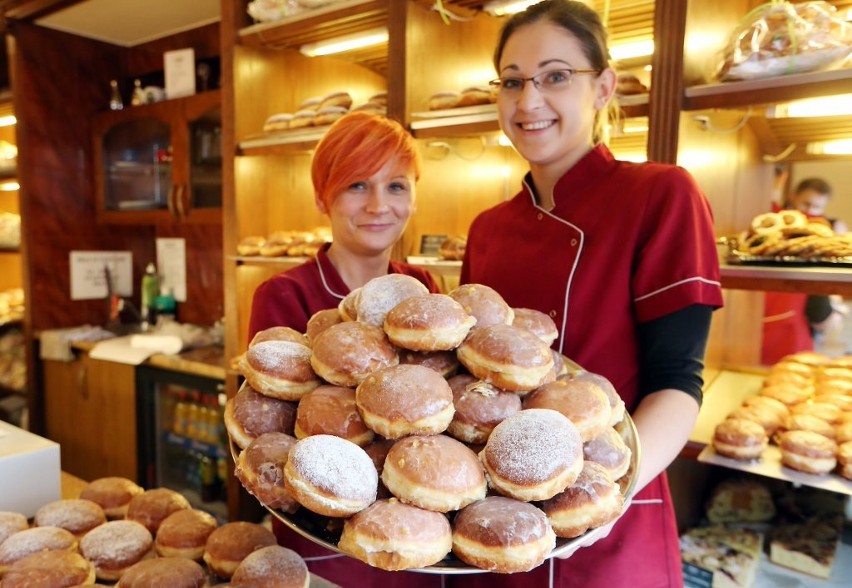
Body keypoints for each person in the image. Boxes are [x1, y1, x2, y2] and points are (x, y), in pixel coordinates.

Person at [456, 2, 724, 586]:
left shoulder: (660, 195)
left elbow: (678, 381)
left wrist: (609, 497)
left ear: (603, 87)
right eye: (512, 81)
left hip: (613, 528)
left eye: (555, 76)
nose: (528, 101)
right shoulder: (488, 228)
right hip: (493, 531)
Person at [247, 111, 442, 587]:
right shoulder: (284, 295)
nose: (379, 204)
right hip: (324, 546)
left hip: (417, 541)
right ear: (322, 196)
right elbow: (264, 429)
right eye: (357, 185)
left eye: (396, 186)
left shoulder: (423, 289)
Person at [763, 177, 847, 363]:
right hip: (771, 320)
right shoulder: (773, 222)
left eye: (817, 207)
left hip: (796, 327)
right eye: (806, 204)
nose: (809, 212)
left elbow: (821, 316)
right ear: (794, 197)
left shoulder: (827, 233)